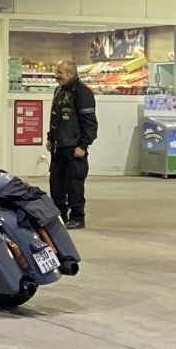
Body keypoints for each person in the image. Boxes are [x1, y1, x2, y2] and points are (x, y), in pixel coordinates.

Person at [47, 59, 98, 228]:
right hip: (59, 147)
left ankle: (77, 217)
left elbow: (89, 123)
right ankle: (60, 216)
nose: (56, 75)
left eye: (59, 72)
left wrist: (83, 145)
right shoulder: (59, 91)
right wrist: (50, 138)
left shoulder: (83, 93)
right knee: (56, 184)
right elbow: (55, 118)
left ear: (70, 73)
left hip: (74, 147)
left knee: (74, 184)